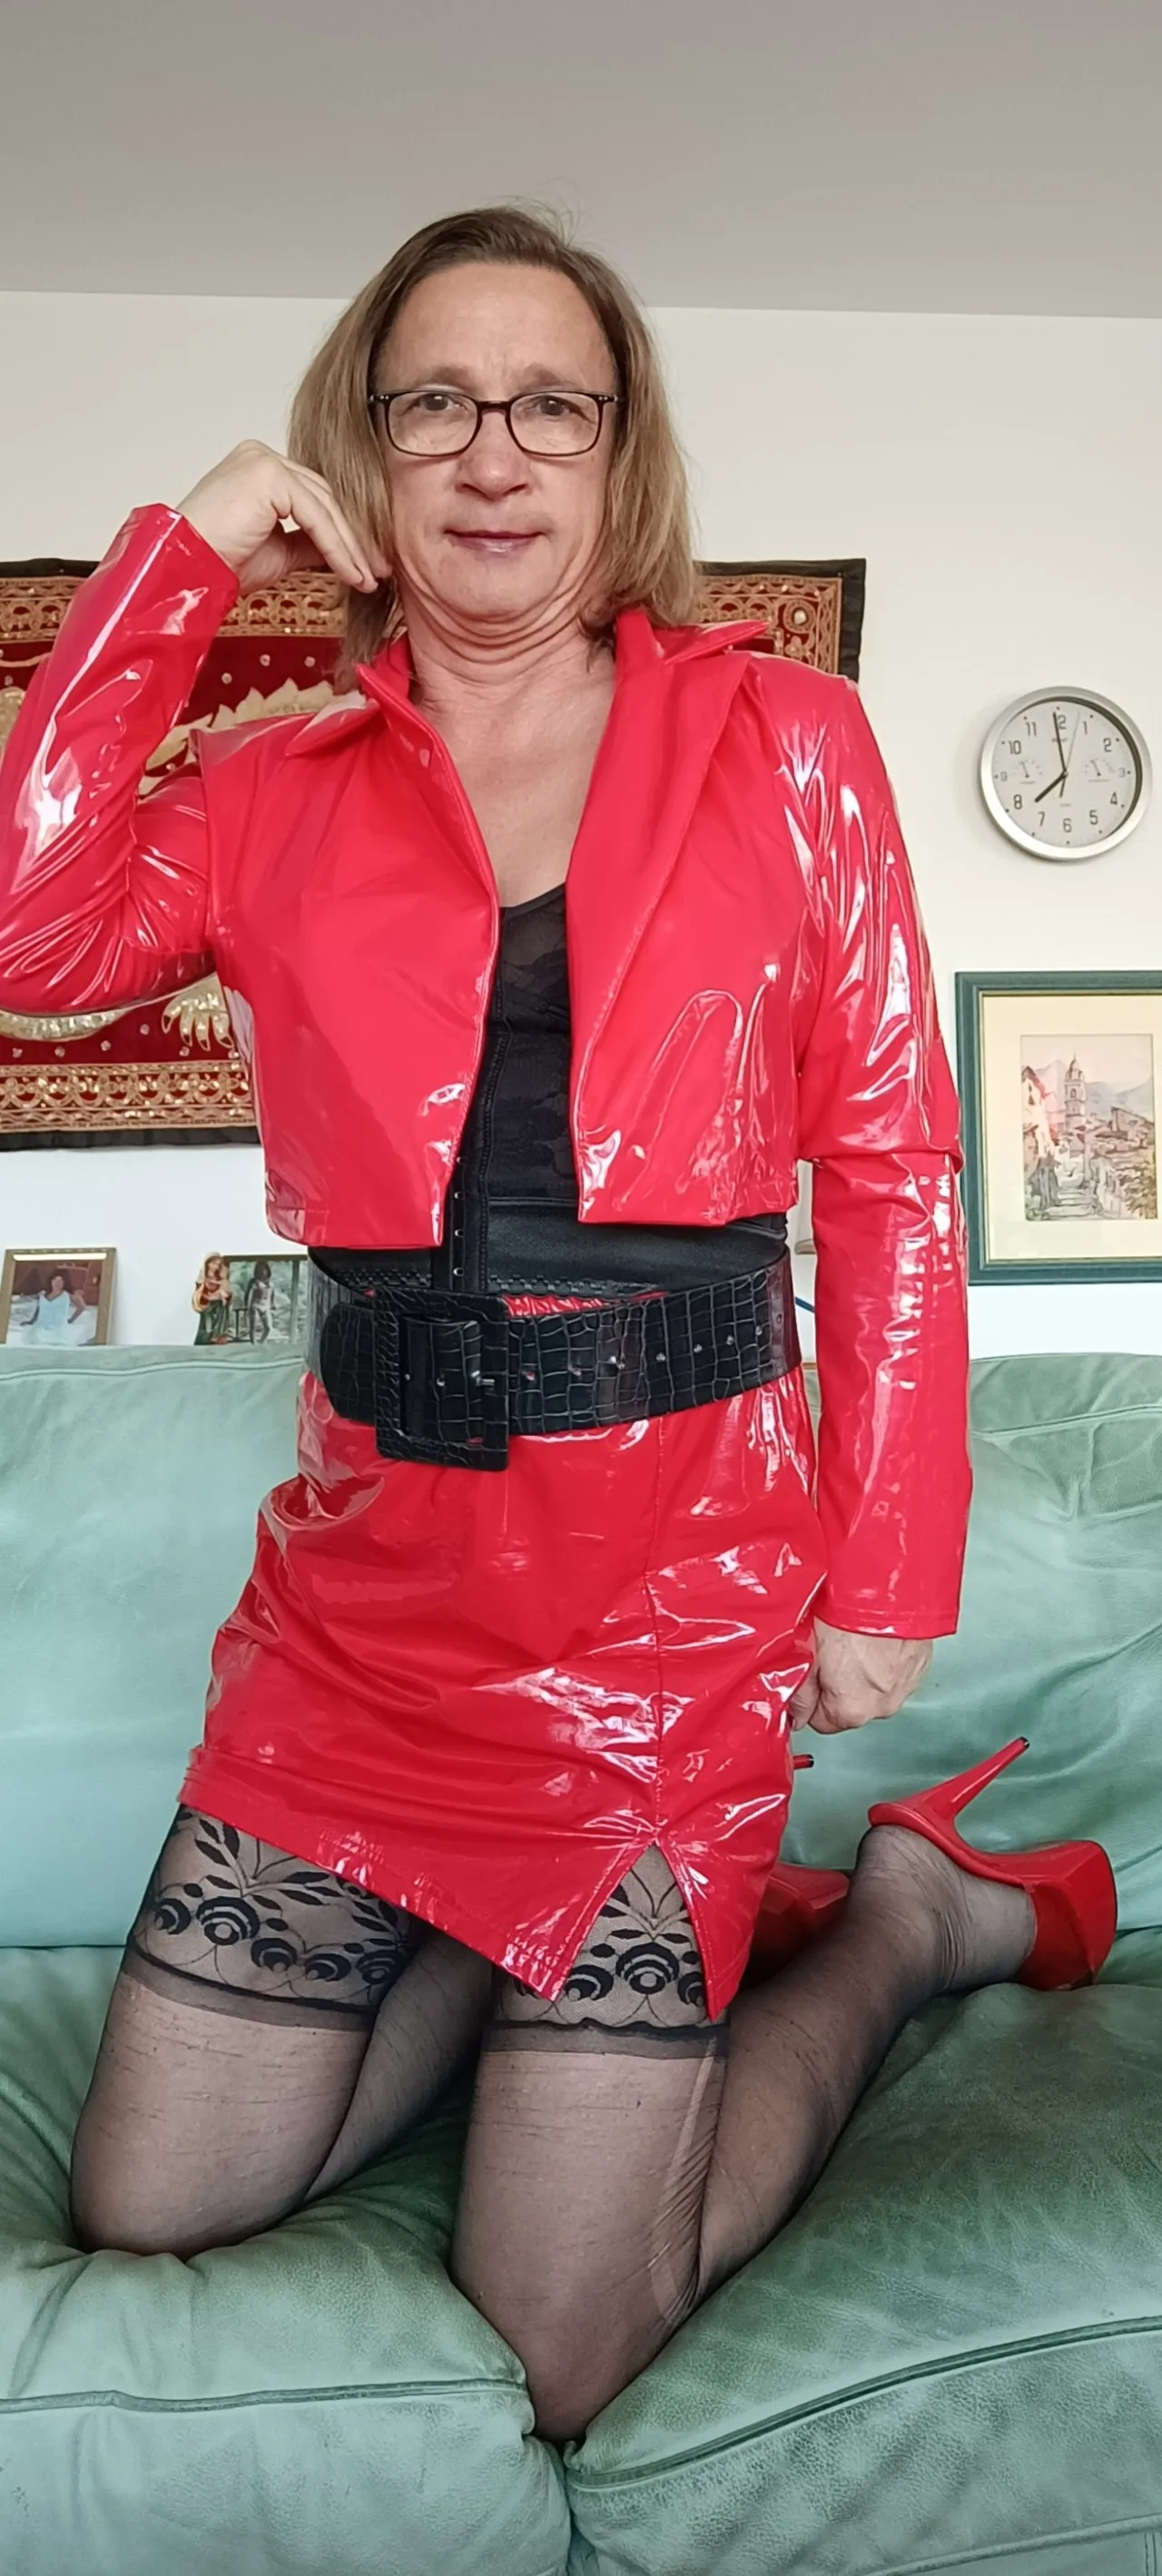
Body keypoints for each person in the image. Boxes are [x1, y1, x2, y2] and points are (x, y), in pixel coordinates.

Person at [0, 205, 1115, 2445]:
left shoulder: (785, 737)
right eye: (434, 402)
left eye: (550, 406)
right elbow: (30, 939)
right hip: (364, 1612)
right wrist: (184, 549)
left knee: (566, 2338)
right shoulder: (272, 789)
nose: (491, 452)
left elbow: (887, 1166)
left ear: (620, 454)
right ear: (362, 451)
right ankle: (516, 1939)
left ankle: (908, 1917)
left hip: (666, 1607)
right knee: (150, 2204)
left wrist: (885, 1568)